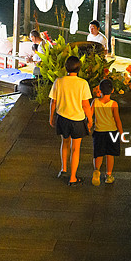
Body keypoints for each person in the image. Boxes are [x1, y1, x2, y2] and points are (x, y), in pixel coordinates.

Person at [49, 56, 93, 186]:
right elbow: (85, 105)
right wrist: (90, 120)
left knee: (65, 143)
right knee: (76, 148)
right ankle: (73, 177)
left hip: (62, 118)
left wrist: (51, 117)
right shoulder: (82, 83)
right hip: (78, 120)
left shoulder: (59, 81)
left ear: (66, 67)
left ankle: (64, 169)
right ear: (79, 68)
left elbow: (53, 101)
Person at [91, 78, 123, 186]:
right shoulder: (114, 104)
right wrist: (121, 133)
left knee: (98, 153)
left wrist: (88, 124)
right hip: (112, 132)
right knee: (110, 154)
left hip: (99, 131)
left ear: (99, 90)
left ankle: (96, 170)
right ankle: (108, 175)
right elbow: (117, 119)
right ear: (112, 90)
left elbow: (90, 117)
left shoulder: (95, 102)